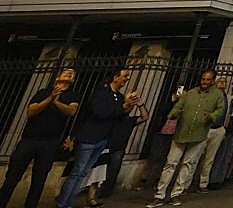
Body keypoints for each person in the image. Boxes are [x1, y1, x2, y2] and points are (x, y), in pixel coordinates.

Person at [0, 67, 80, 208]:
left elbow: (71, 111)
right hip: (29, 139)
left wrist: (56, 102)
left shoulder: (73, 95)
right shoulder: (43, 92)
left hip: (50, 142)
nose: (69, 73)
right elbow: (31, 111)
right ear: (57, 77)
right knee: (12, 176)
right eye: (66, 71)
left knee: (39, 180)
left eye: (72, 73)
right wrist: (50, 98)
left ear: (73, 80)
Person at [147, 70, 225, 208]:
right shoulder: (190, 93)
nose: (204, 82)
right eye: (203, 79)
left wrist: (211, 117)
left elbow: (220, 110)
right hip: (181, 134)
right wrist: (173, 114)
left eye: (208, 80)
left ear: (212, 81)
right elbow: (177, 107)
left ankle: (176, 194)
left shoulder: (217, 95)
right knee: (171, 163)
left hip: (199, 135)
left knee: (188, 164)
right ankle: (160, 194)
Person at [60, 69, 135, 208]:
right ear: (115, 77)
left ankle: (67, 203)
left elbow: (118, 117)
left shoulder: (118, 96)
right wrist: (122, 107)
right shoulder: (101, 92)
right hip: (89, 138)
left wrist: (128, 105)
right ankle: (63, 203)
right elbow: (100, 113)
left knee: (82, 174)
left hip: (103, 139)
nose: (126, 79)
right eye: (124, 76)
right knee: (77, 173)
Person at [84, 91, 148, 207]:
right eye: (128, 105)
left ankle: (101, 193)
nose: (129, 107)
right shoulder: (112, 117)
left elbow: (145, 117)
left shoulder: (129, 120)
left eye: (130, 106)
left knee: (110, 172)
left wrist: (140, 104)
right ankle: (90, 196)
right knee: (96, 172)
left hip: (117, 149)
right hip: (105, 146)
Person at [208, 81, 233, 189]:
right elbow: (226, 113)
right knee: (220, 154)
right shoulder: (229, 99)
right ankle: (213, 179)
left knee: (227, 154)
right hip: (227, 128)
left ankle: (221, 178)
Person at [196, 76, 229, 192]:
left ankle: (203, 183)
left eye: (224, 82)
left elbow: (225, 114)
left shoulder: (225, 97)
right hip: (207, 128)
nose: (222, 84)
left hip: (218, 129)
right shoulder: (211, 95)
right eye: (220, 82)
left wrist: (223, 129)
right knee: (196, 155)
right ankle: (188, 182)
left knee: (209, 158)